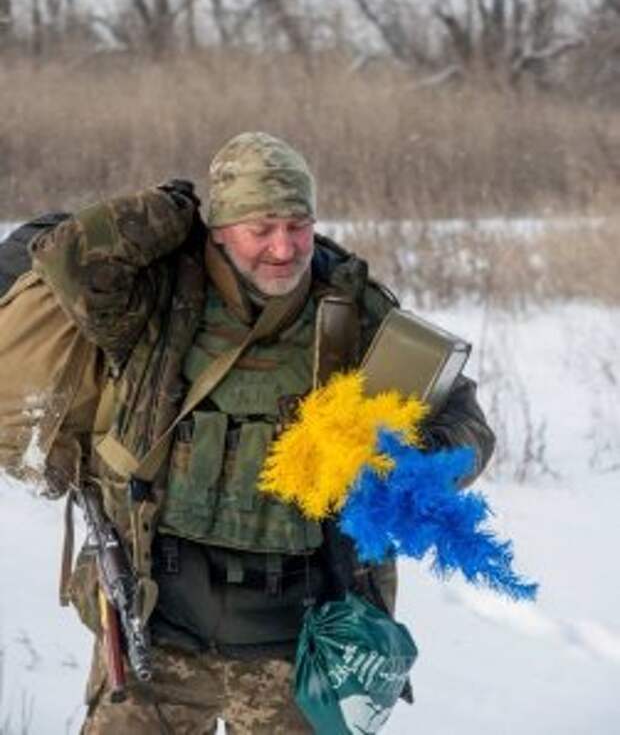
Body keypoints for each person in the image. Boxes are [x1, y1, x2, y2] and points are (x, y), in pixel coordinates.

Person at [28, 132, 495, 734]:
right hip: (158, 634)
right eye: (261, 227)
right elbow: (65, 260)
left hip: (298, 647)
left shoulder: (351, 313)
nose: (284, 247)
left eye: (298, 224)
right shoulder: (158, 302)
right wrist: (171, 210)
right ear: (219, 229)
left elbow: (466, 419)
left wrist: (411, 462)